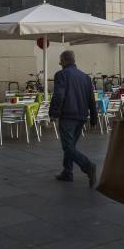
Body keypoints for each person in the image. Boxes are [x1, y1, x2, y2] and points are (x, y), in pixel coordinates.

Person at [49, 50, 99, 186]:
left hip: (68, 115)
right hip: (82, 116)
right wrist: (94, 118)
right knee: (71, 145)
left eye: (60, 60)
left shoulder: (61, 75)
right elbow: (91, 99)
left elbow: (59, 95)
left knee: (67, 146)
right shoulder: (85, 77)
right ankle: (67, 172)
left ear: (63, 61)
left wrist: (53, 113)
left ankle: (87, 165)